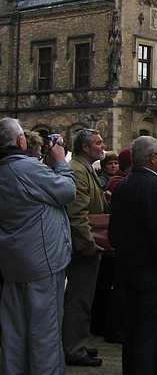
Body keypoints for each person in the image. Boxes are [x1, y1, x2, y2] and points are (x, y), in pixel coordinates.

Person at [0, 118, 76, 375]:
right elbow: (66, 190)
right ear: (21, 141)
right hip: (42, 260)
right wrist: (61, 163)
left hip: (13, 260)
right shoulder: (25, 168)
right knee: (45, 332)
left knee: (14, 332)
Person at [109, 135, 157, 374]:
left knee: (133, 330)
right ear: (153, 159)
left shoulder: (124, 184)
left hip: (129, 268)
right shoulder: (155, 187)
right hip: (153, 271)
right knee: (150, 334)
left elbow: (114, 231)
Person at [63, 128, 107, 368]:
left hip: (88, 244)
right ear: (85, 148)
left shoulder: (85, 169)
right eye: (98, 143)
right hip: (83, 248)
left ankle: (76, 341)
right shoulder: (78, 171)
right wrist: (87, 243)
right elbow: (76, 213)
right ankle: (73, 348)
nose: (103, 146)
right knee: (78, 300)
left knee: (81, 299)